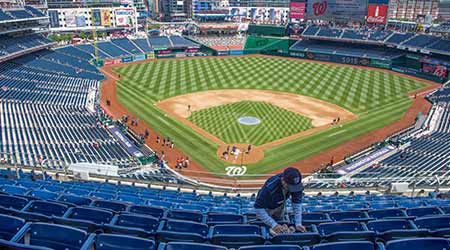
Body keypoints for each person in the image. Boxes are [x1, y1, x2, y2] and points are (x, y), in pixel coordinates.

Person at [254, 167, 305, 234]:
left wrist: (298, 224)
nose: (292, 189)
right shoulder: (270, 187)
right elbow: (258, 208)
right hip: (266, 207)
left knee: (279, 220)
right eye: (289, 186)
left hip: (280, 204)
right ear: (283, 180)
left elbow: (297, 204)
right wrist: (273, 224)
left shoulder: (296, 184)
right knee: (266, 226)